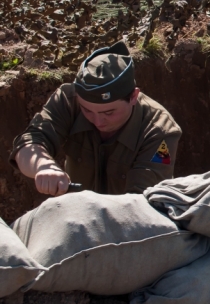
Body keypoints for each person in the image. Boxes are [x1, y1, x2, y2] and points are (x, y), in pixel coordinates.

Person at [10, 41, 182, 197]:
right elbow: (28, 143)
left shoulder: (160, 132)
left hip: (130, 223)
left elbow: (141, 201)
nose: (98, 121)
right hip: (77, 218)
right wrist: (44, 165)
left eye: (109, 113)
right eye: (87, 110)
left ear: (133, 97)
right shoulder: (68, 101)